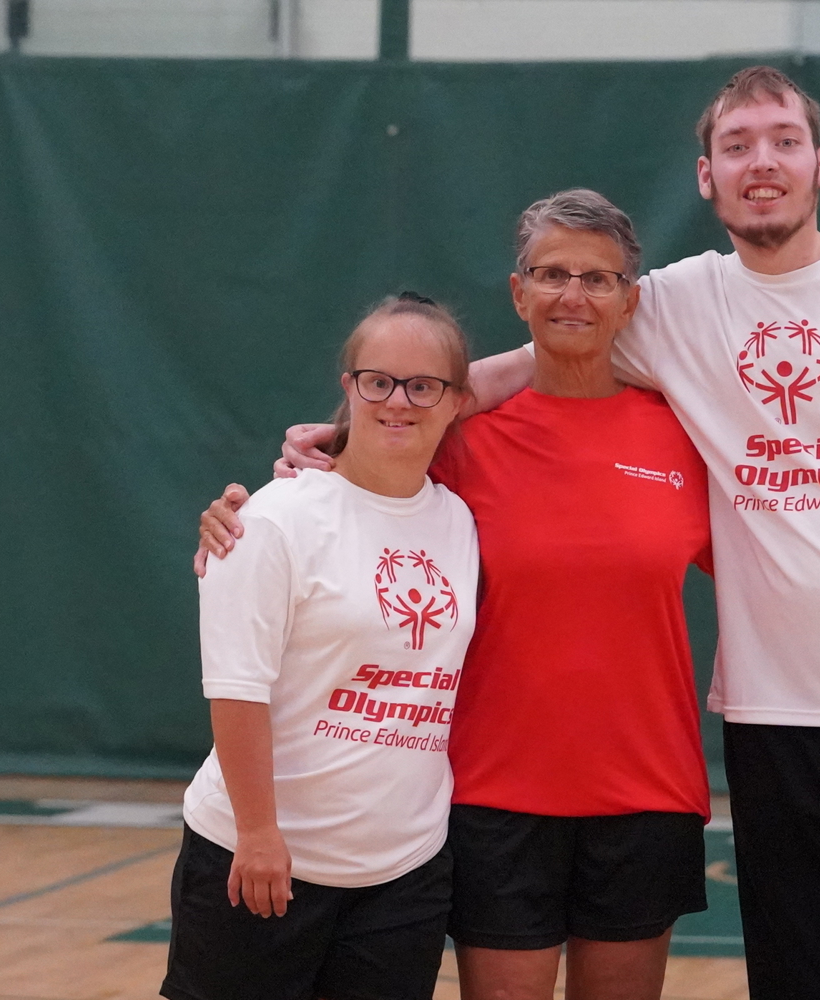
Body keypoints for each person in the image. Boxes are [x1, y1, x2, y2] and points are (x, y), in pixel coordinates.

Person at [267, 67, 820, 1000]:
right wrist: (347, 432)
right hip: (772, 714)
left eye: (784, 141)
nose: (763, 162)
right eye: (738, 145)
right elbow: (533, 358)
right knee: (796, 976)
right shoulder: (672, 304)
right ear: (705, 177)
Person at [198, 190, 714, 1000]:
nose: (572, 295)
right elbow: (354, 487)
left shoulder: (686, 434)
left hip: (649, 794)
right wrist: (247, 515)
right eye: (551, 274)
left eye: (597, 278)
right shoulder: (456, 440)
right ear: (519, 293)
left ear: (630, 300)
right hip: (493, 799)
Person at [164, 294, 479, 1000]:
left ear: (458, 400)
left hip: (404, 876)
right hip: (264, 860)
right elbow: (237, 687)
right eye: (378, 381)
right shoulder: (273, 520)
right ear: (348, 388)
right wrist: (259, 832)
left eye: (424, 385)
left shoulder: (458, 518)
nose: (398, 401)